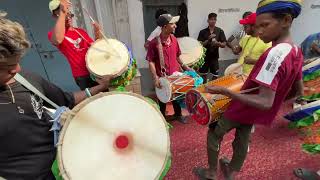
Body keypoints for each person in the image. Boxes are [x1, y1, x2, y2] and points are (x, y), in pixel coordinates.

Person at [193, 0, 304, 179]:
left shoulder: (274, 54)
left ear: (286, 20)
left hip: (243, 106)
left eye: (264, 25)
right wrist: (278, 100)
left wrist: (226, 92)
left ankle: (212, 172)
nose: (259, 32)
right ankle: (232, 172)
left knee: (214, 132)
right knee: (243, 137)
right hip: (254, 110)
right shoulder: (296, 50)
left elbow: (265, 101)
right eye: (257, 26)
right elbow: (298, 89)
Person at [0, 12, 111, 179]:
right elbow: (57, 39)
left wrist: (100, 87)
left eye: (17, 62)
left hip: (61, 169)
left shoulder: (28, 80)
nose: (17, 70)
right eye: (8, 66)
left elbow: (68, 99)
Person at [146, 14, 192, 124]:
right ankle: (162, 119)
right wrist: (155, 77)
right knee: (162, 98)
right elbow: (151, 61)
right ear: (165, 26)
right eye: (173, 24)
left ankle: (178, 114)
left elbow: (177, 56)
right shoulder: (154, 43)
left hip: (175, 75)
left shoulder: (174, 39)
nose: (175, 26)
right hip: (162, 77)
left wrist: (186, 67)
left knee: (176, 95)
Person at [48, 0, 103, 90]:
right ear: (55, 16)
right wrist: (62, 13)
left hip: (95, 70)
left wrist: (97, 32)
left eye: (70, 15)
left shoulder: (80, 31)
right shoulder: (53, 34)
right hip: (83, 76)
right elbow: (57, 40)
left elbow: (95, 48)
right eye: (64, 15)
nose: (68, 17)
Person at [198, 13, 226, 81]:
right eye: (211, 19)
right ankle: (204, 87)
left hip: (214, 57)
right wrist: (208, 40)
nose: (213, 21)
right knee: (203, 74)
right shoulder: (202, 32)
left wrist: (217, 43)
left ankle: (211, 88)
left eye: (214, 19)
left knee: (215, 75)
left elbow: (224, 44)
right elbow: (199, 45)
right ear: (208, 20)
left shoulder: (220, 31)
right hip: (204, 57)